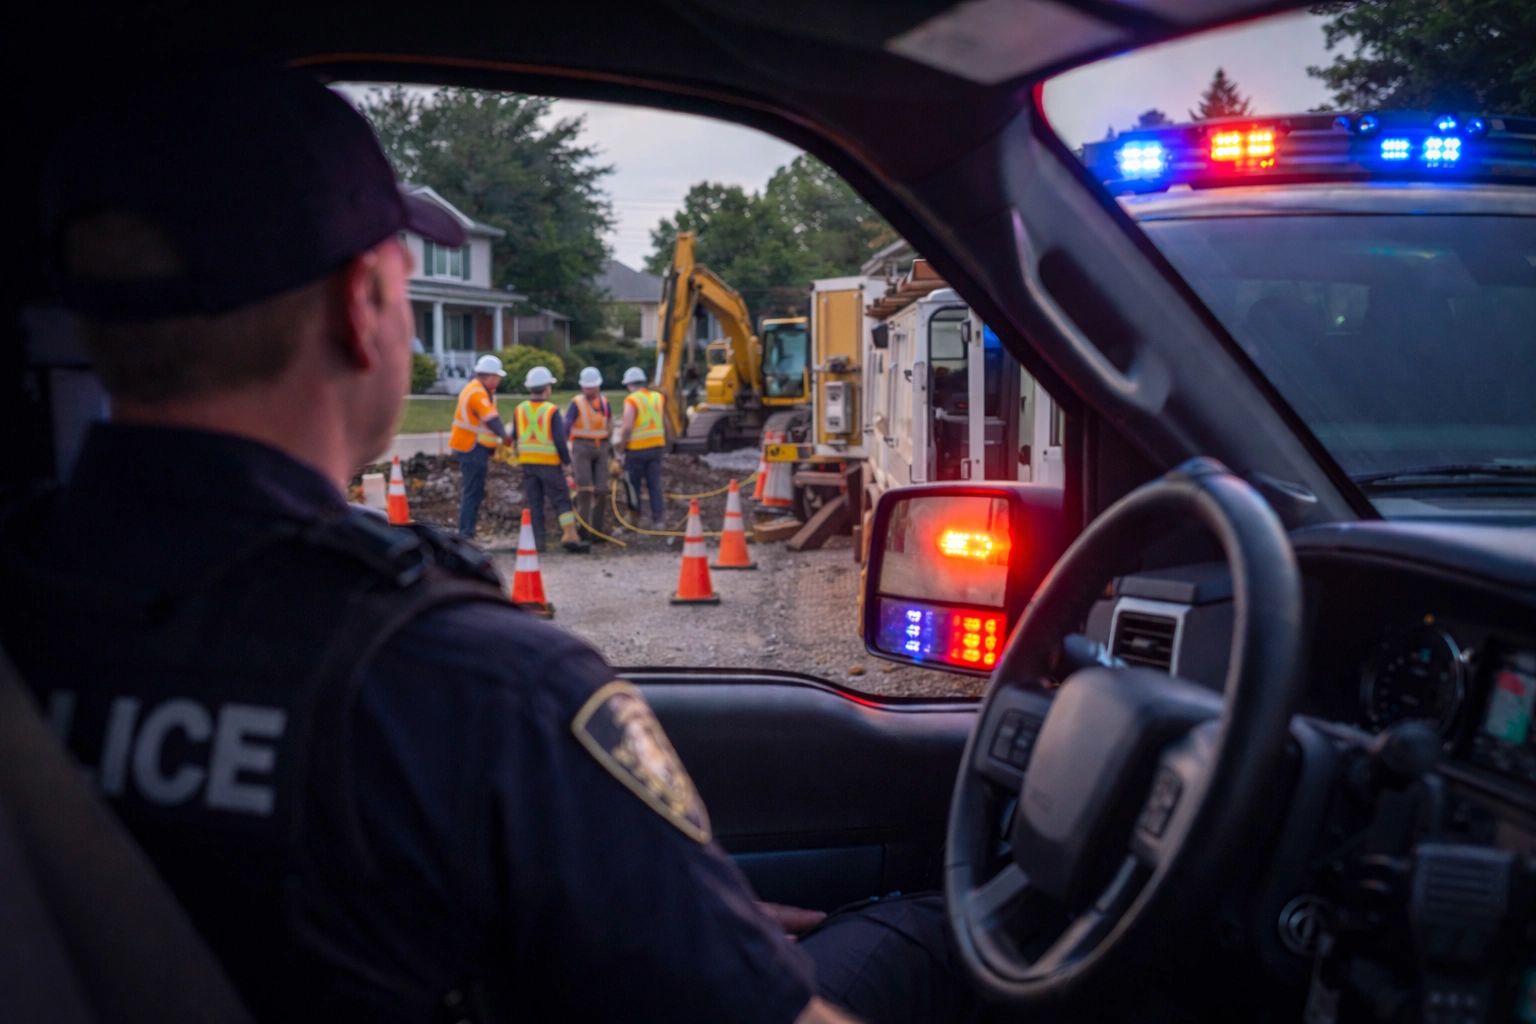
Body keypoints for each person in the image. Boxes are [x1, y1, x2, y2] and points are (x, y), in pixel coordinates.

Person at [514, 366, 589, 553]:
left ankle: (538, 543)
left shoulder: (520, 409)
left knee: (535, 502)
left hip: (528, 464)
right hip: (549, 464)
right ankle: (570, 535)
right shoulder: (551, 410)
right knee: (562, 500)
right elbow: (559, 440)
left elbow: (514, 436)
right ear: (547, 388)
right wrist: (566, 463)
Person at [449, 353, 511, 538]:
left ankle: (467, 532)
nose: (499, 381)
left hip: (474, 447)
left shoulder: (480, 390)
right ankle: (466, 534)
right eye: (498, 377)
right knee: (472, 492)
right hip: (471, 447)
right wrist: (506, 437)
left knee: (474, 491)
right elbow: (491, 419)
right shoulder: (477, 392)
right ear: (490, 376)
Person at [616, 365, 669, 529]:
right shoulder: (657, 397)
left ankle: (634, 521)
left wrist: (620, 449)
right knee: (654, 485)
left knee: (633, 487)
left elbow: (626, 428)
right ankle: (658, 520)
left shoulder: (632, 400)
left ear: (629, 385)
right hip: (656, 448)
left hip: (637, 450)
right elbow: (664, 422)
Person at [565, 366, 613, 540]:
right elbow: (566, 426)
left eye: (591, 387)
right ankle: (583, 530)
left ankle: (597, 531)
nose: (589, 390)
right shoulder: (576, 403)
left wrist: (612, 451)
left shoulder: (604, 402)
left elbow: (609, 425)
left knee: (601, 489)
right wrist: (565, 452)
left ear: (598, 386)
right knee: (584, 490)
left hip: (601, 448)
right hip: (581, 447)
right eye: (586, 387)